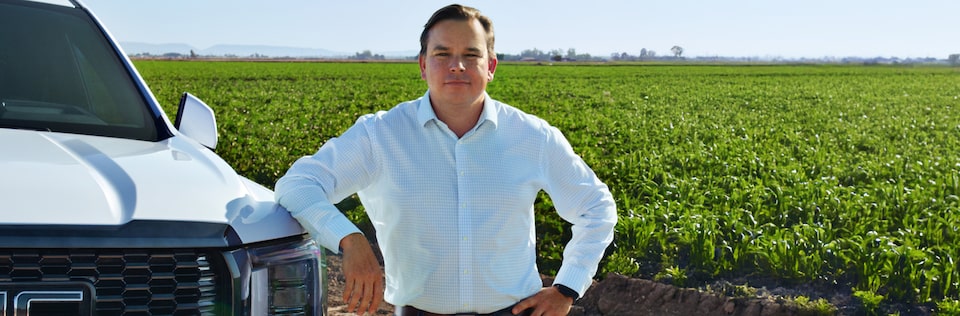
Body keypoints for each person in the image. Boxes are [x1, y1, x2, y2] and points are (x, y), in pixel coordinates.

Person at [275, 4, 617, 316]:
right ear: (423, 65)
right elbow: (298, 184)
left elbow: (596, 208)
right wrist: (349, 239)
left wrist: (566, 289)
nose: (457, 65)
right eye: (442, 54)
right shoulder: (380, 135)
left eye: (471, 54)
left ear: (491, 66)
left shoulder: (532, 137)